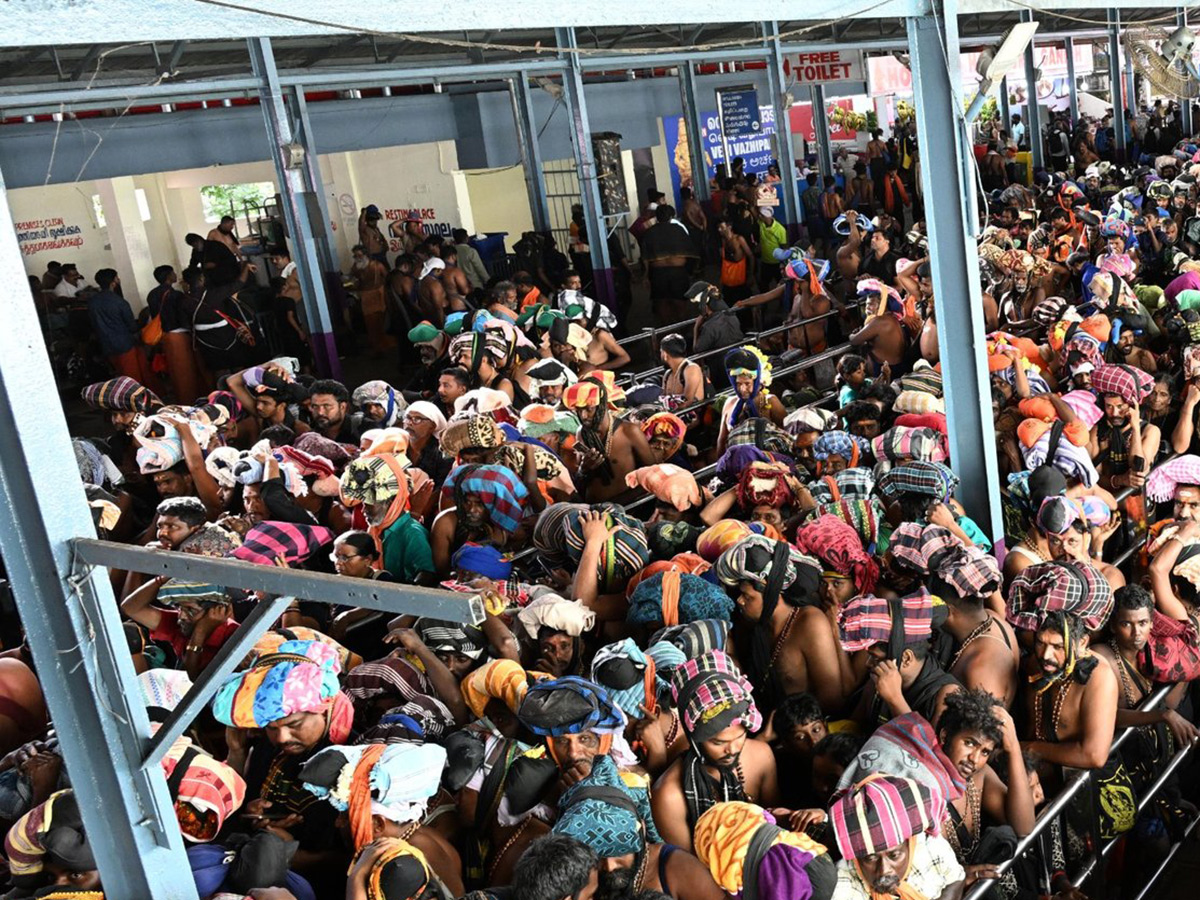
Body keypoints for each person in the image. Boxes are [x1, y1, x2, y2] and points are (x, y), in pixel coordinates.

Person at [651, 651, 779, 851]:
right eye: (718, 743)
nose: (732, 749)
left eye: (740, 737)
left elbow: (776, 824)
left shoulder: (762, 756)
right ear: (693, 736)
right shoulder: (669, 796)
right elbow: (691, 870)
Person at [829, 774, 965, 900]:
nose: (884, 870)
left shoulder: (932, 849)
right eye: (871, 858)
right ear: (856, 858)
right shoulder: (843, 882)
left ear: (910, 844)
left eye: (894, 855)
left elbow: (956, 879)